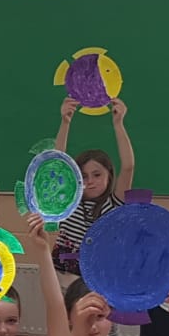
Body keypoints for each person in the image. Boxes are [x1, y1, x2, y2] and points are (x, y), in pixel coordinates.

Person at [51, 95, 135, 280]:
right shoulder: (69, 203)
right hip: (65, 275)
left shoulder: (114, 204)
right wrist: (65, 123)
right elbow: (58, 165)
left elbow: (128, 166)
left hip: (102, 276)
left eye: (97, 175)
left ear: (109, 176)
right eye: (83, 176)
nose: (90, 181)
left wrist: (118, 124)